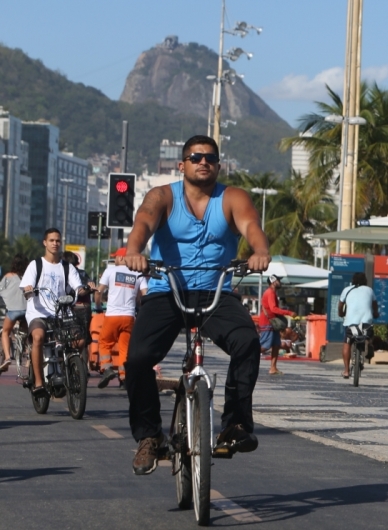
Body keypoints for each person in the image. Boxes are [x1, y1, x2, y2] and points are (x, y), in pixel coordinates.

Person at [120, 135, 270, 475]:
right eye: (196, 156)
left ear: (219, 165)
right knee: (138, 358)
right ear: (182, 163)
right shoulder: (163, 196)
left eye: (211, 158)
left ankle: (236, 425)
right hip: (166, 290)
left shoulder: (232, 197)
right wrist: (134, 250)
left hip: (214, 291)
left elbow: (251, 227)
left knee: (247, 341)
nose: (204, 162)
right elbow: (143, 222)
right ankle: (148, 436)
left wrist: (259, 251)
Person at [19, 229, 88, 398]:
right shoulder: (36, 265)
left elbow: (78, 287)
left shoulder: (67, 267)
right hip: (38, 312)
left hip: (61, 313)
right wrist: (28, 290)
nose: (55, 243)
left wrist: (85, 289)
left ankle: (67, 367)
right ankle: (38, 382)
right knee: (38, 337)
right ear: (45, 242)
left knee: (79, 340)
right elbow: (26, 289)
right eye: (51, 240)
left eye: (57, 240)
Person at [94, 248, 148, 389]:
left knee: (105, 343)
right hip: (129, 317)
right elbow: (145, 294)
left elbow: (99, 292)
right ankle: (124, 379)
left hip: (112, 315)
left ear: (122, 258)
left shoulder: (110, 271)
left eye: (116, 257)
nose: (115, 260)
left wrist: (98, 306)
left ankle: (107, 369)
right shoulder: (138, 273)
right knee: (125, 348)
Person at [338, 272, 377, 379]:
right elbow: (375, 305)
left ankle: (346, 371)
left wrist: (341, 314)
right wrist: (376, 313)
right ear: (365, 281)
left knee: (347, 343)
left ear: (353, 280)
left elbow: (340, 305)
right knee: (370, 332)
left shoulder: (347, 290)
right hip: (366, 323)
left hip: (350, 323)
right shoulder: (369, 290)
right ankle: (369, 343)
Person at [258, 274, 296, 376]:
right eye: (279, 280)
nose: (280, 282)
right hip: (268, 322)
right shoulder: (270, 293)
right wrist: (288, 313)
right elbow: (273, 308)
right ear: (274, 281)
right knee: (265, 346)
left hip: (272, 323)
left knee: (276, 345)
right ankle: (246, 356)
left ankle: (273, 368)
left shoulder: (272, 292)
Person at [0, 254, 28, 373]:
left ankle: (7, 357)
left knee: (5, 332)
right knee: (29, 334)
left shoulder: (8, 276)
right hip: (27, 311)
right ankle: (30, 357)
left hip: (13, 311)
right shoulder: (29, 277)